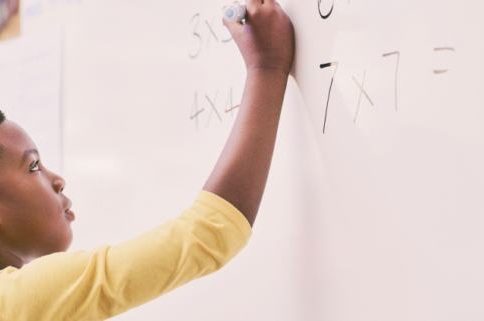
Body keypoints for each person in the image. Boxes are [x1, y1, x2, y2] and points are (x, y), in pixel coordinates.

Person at [0, 0, 295, 319]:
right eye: (33, 166)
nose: (58, 180)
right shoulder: (18, 300)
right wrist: (266, 67)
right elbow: (209, 233)